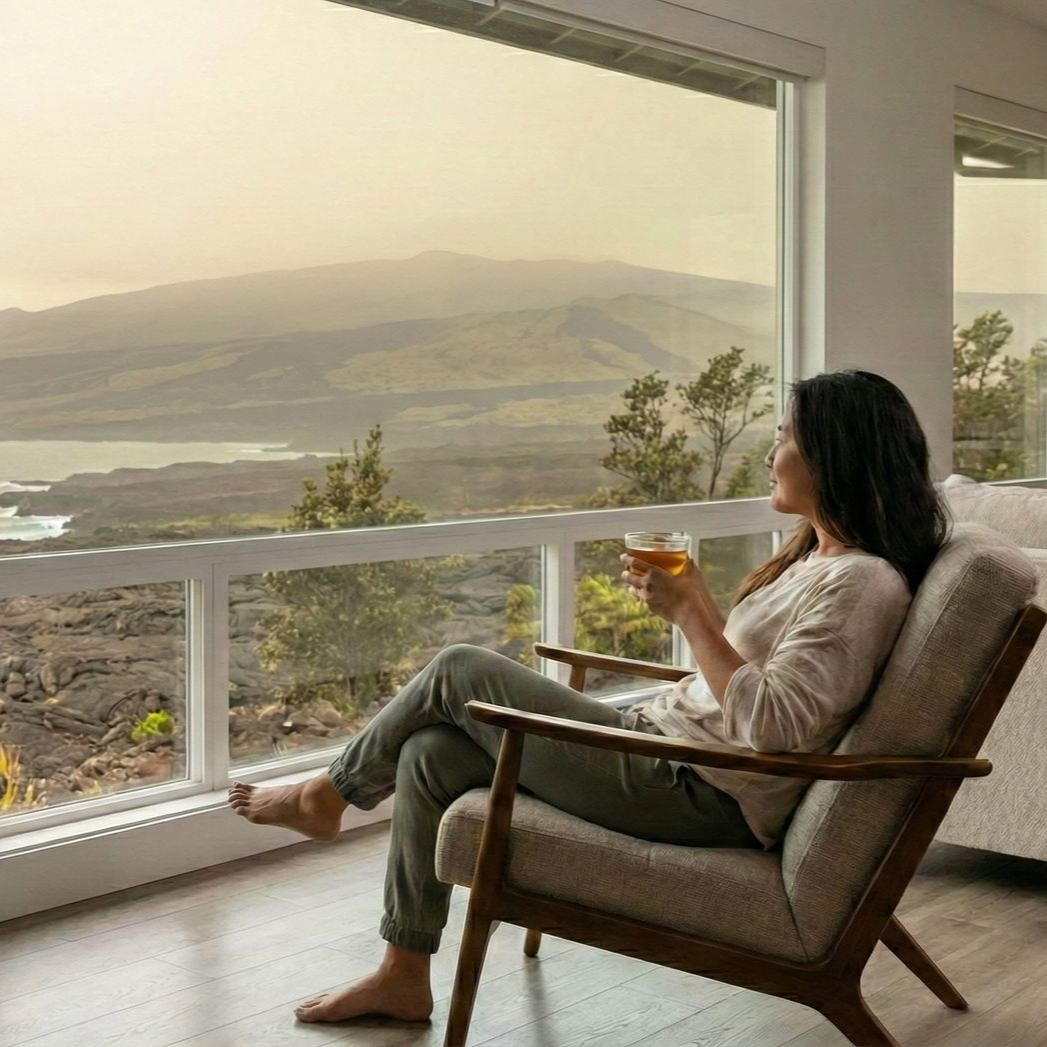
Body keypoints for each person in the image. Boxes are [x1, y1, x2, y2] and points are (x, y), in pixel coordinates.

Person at [228, 368, 947, 1026]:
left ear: (834, 456)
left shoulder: (860, 583)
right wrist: (690, 616)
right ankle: (402, 973)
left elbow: (774, 725)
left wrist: (692, 612)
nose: (771, 452)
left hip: (696, 788)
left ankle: (328, 795)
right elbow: (746, 688)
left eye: (785, 437)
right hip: (658, 744)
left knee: (457, 667)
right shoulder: (815, 558)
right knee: (429, 751)